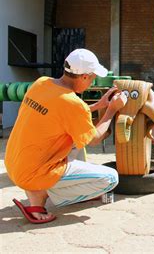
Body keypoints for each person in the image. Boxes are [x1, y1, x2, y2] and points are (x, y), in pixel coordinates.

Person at [5, 48, 127, 224]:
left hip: (14, 162)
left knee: (75, 140)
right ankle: (40, 193)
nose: (92, 83)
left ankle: (41, 187)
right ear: (84, 76)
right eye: (92, 78)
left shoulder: (41, 83)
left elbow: (59, 112)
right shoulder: (73, 104)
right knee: (110, 179)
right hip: (33, 172)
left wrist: (97, 106)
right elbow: (94, 139)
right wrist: (111, 110)